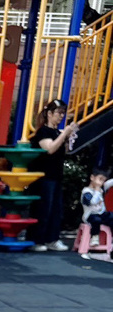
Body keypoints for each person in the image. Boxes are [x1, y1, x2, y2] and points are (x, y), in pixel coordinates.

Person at [29, 98, 78, 252]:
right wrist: (64, 135)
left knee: (56, 210)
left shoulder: (57, 132)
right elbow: (49, 149)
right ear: (49, 114)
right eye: (58, 113)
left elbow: (64, 151)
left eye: (63, 113)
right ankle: (36, 240)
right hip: (43, 176)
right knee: (43, 209)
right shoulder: (43, 131)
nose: (61, 116)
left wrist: (67, 137)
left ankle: (52, 239)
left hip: (56, 175)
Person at [80, 167, 113, 245]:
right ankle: (94, 237)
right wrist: (97, 191)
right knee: (96, 220)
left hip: (101, 214)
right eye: (100, 179)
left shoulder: (101, 189)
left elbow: (110, 183)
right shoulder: (86, 192)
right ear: (92, 177)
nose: (101, 182)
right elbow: (92, 202)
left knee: (111, 217)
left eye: (103, 180)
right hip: (90, 215)